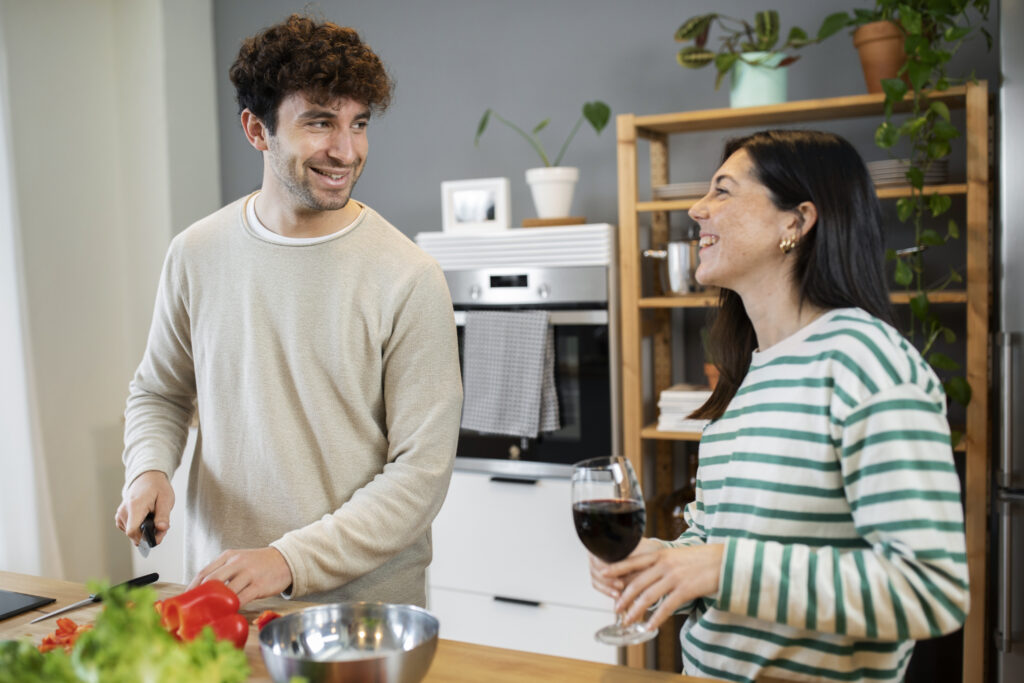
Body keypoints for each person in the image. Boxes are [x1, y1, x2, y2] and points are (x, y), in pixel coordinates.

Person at [114, 14, 463, 608]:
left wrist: (288, 559)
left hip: (362, 616)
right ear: (257, 130)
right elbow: (161, 392)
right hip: (221, 602)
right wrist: (149, 468)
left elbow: (420, 474)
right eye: (320, 123)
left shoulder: (408, 275)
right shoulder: (195, 253)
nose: (346, 151)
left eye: (358, 124)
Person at [592, 130, 968, 681]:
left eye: (723, 191)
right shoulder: (754, 373)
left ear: (796, 221)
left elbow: (929, 588)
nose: (697, 210)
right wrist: (663, 561)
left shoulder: (864, 360)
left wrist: (720, 569)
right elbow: (722, 541)